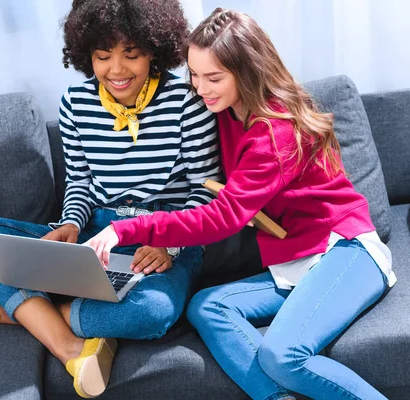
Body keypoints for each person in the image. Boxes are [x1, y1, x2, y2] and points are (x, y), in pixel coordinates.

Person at [85, 8, 396, 400]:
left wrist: (124, 228)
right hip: (299, 256)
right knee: (207, 307)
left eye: (213, 78)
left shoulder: (275, 132)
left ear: (247, 71)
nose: (201, 89)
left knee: (283, 356)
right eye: (194, 75)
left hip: (348, 250)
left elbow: (224, 217)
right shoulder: (228, 112)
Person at [0, 1, 221, 398]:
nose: (116, 70)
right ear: (85, 55)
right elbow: (79, 183)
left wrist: (170, 241)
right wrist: (72, 224)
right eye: (102, 56)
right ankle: (70, 346)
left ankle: (19, 313)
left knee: (153, 313)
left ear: (154, 49)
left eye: (131, 54)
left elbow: (205, 189)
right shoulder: (76, 103)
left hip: (163, 238)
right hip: (97, 233)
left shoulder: (187, 102)